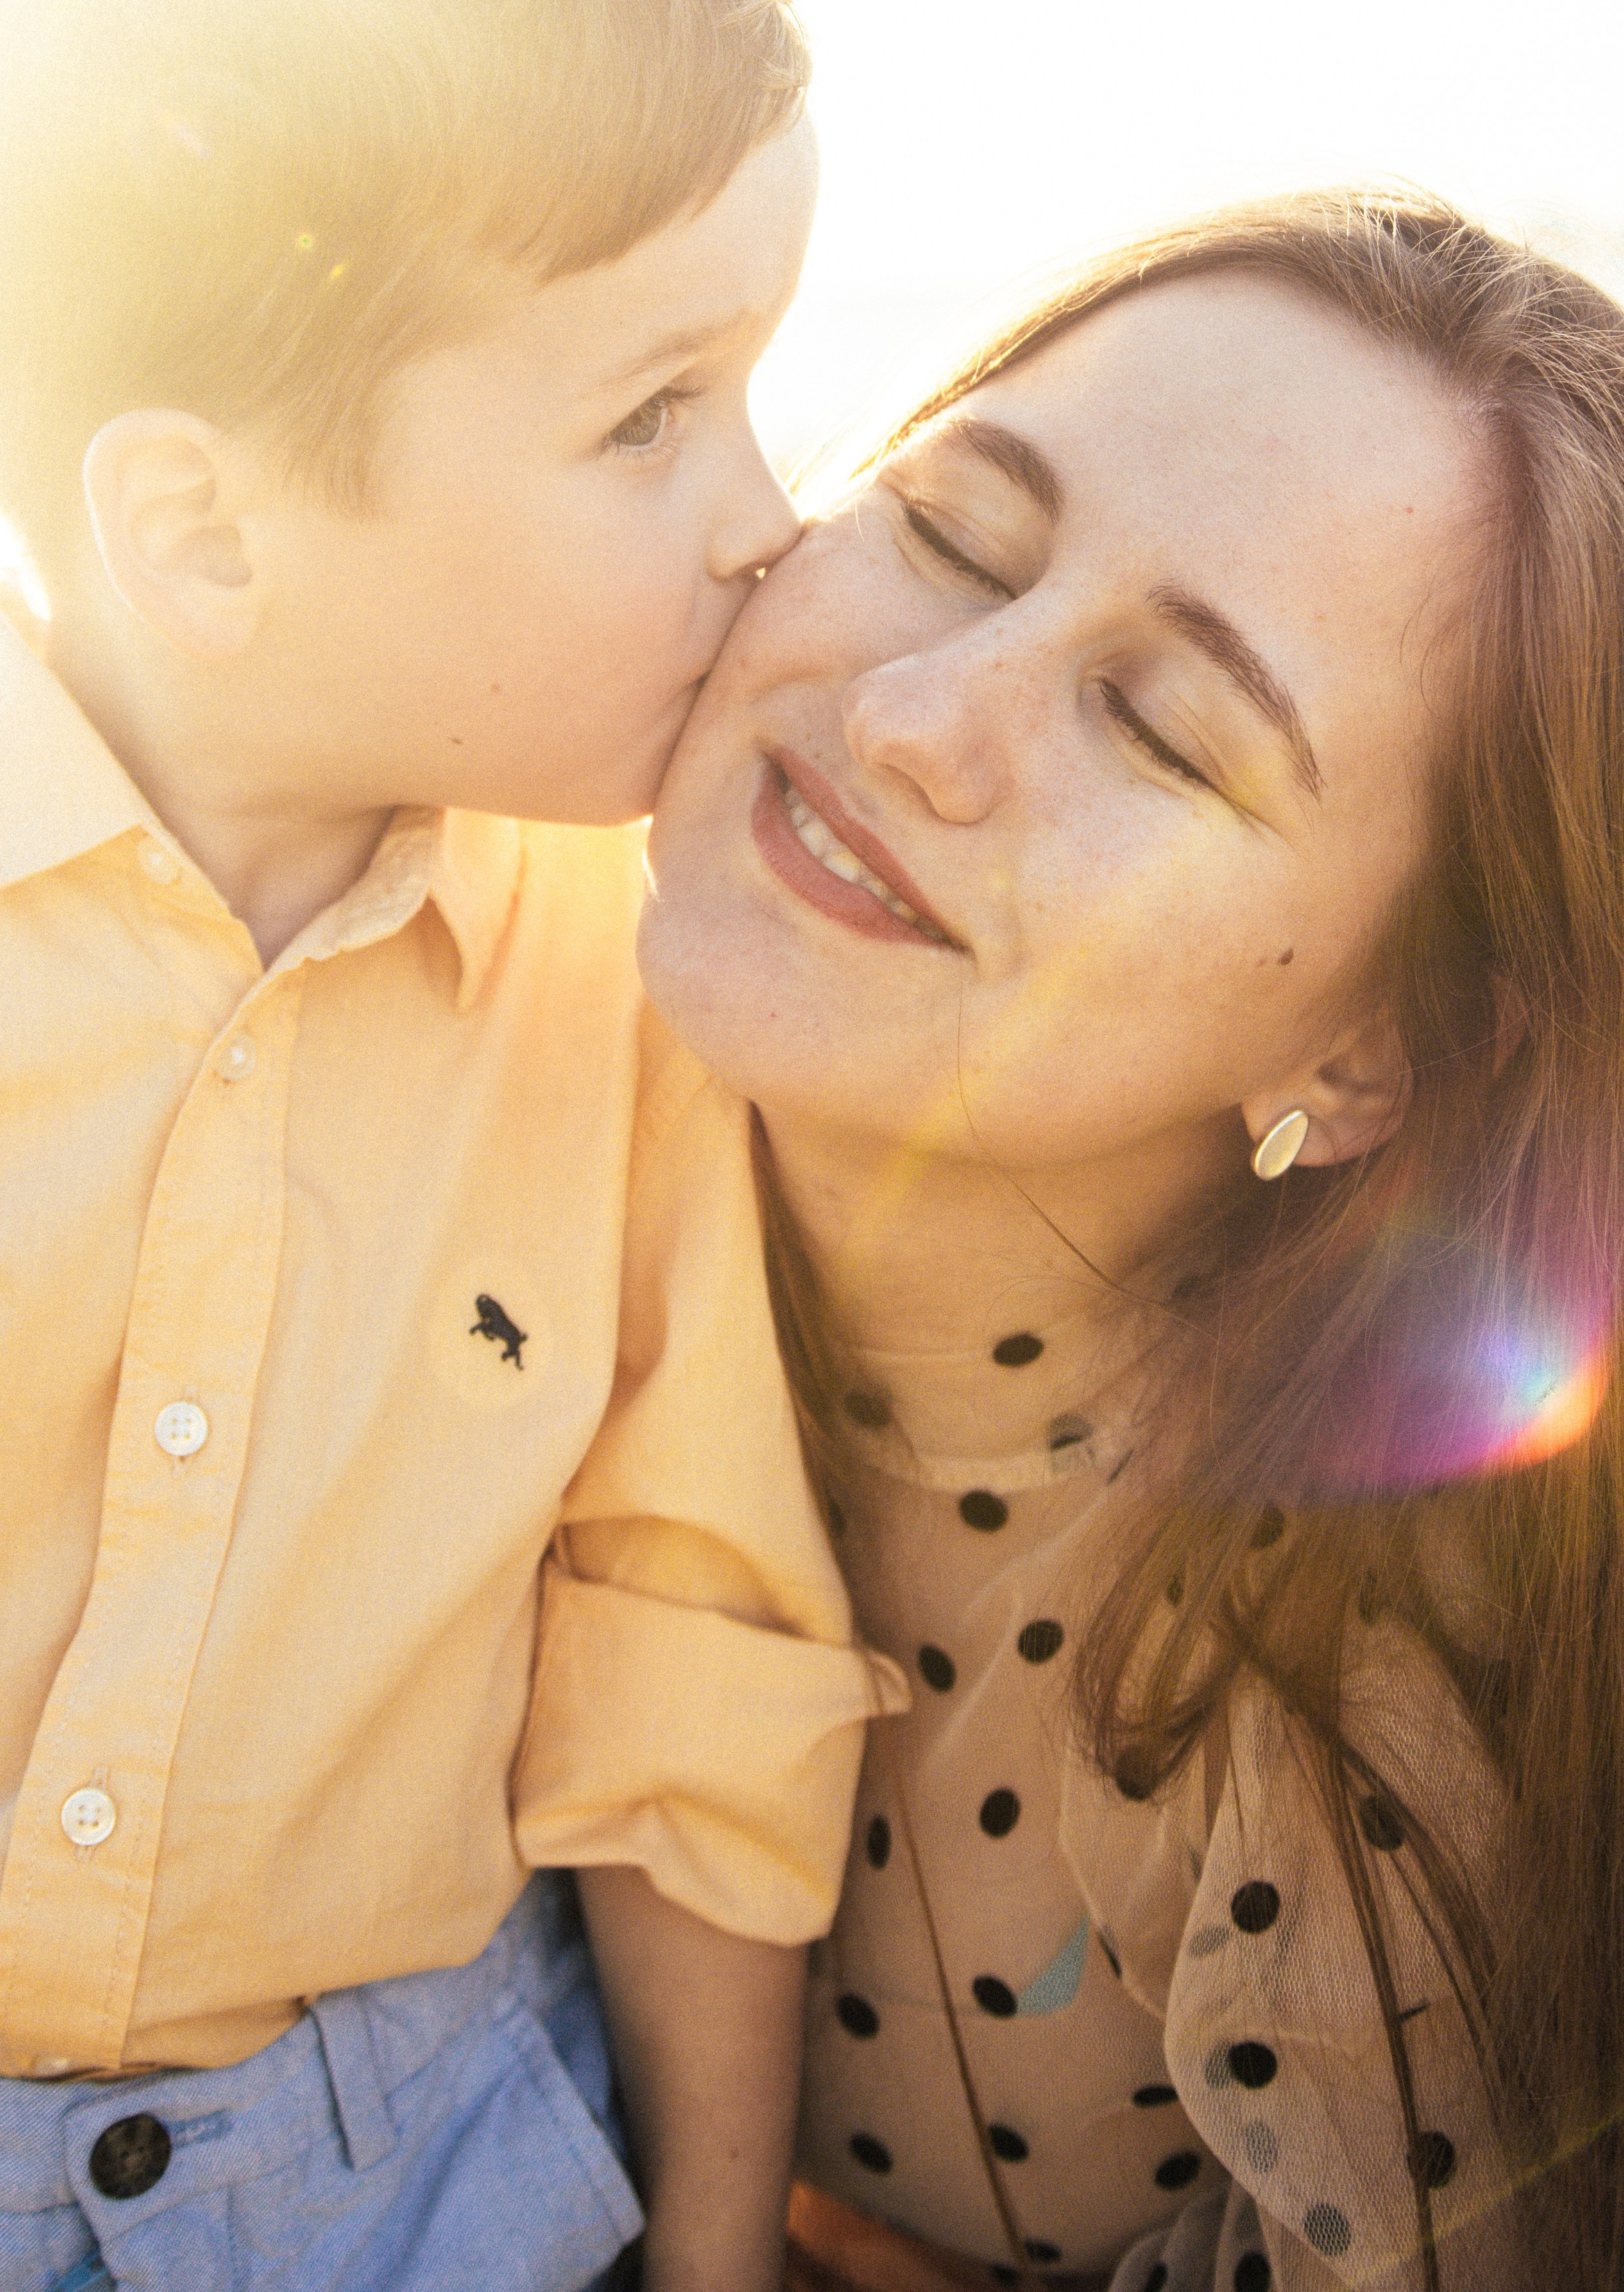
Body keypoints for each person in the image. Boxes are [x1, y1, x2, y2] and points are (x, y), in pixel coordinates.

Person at [0, 0, 894, 2292]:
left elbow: (688, 1686)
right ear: (202, 534)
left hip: (426, 2184)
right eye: (652, 416)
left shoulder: (639, 985)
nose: (772, 516)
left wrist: (717, 2266)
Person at [638, 192, 1624, 2292]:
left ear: (1380, 1045)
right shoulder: (388, 1065)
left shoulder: (1334, 1688)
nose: (921, 715)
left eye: (1165, 727)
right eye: (953, 532)